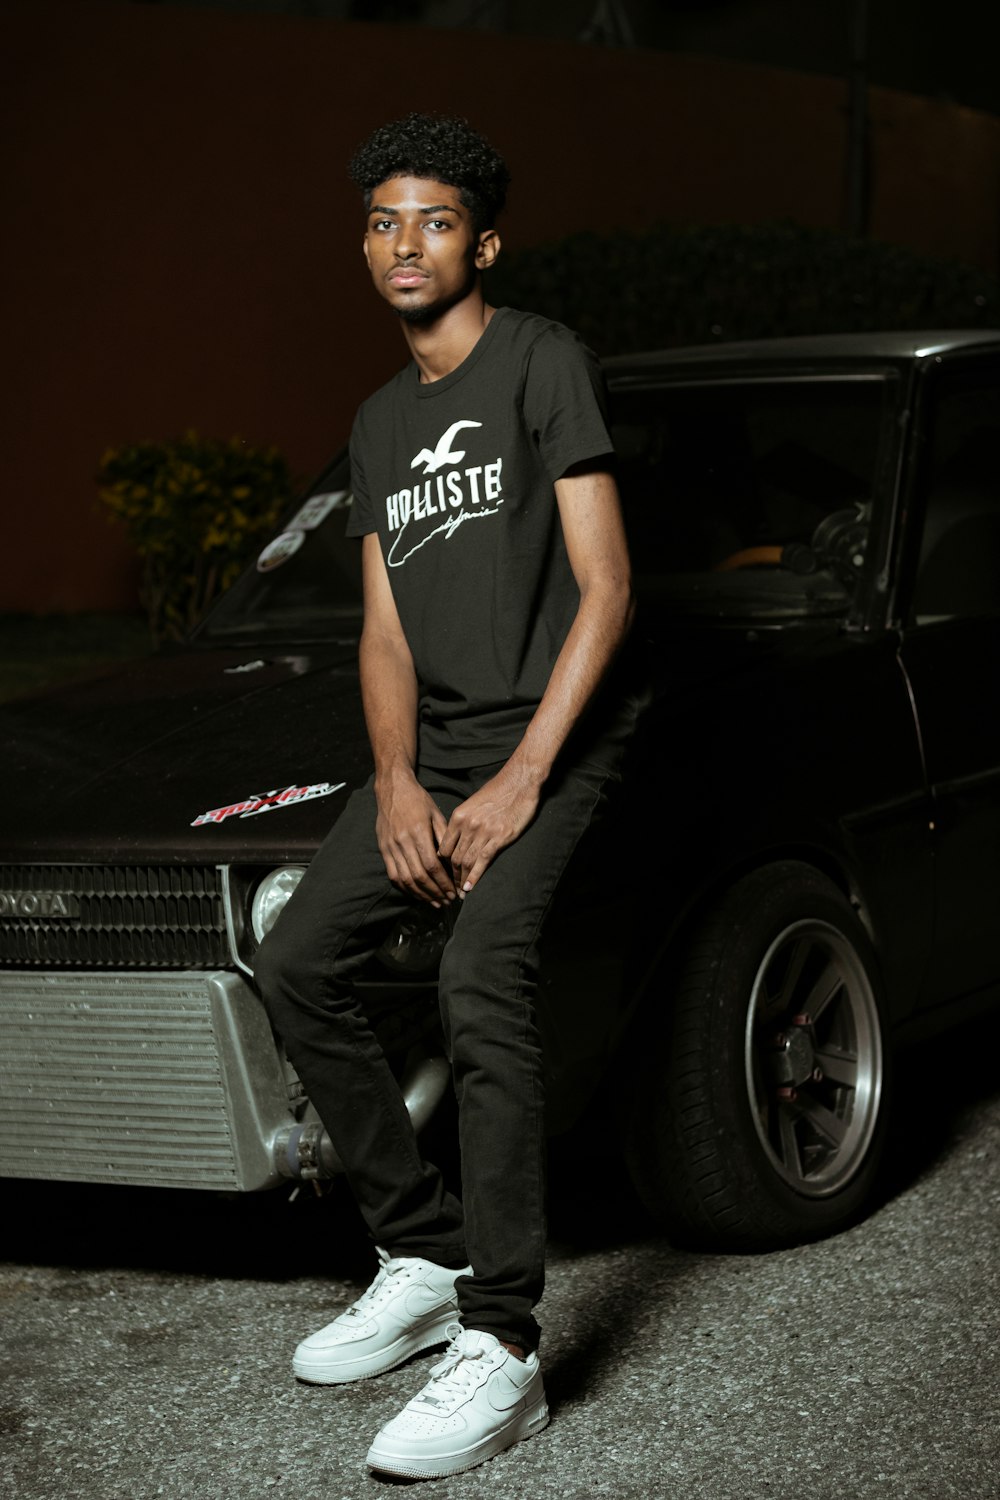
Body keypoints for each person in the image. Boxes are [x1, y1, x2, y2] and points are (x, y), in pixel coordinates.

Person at [253, 111, 638, 1481]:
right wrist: (403, 783)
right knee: (297, 957)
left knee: (481, 980)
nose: (401, 243)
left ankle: (507, 1345)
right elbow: (385, 632)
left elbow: (609, 589)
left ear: (482, 241)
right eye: (379, 221)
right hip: (444, 752)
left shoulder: (541, 362)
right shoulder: (376, 420)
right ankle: (419, 1246)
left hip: (561, 742)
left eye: (430, 220)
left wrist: (526, 777)